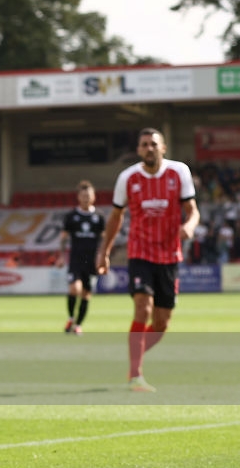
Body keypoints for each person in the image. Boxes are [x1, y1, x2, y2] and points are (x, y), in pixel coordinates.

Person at [97, 128, 199, 393]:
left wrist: (190, 225)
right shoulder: (128, 178)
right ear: (139, 150)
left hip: (169, 255)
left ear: (163, 148)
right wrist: (104, 251)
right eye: (144, 145)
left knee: (162, 323)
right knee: (143, 308)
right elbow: (116, 217)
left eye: (153, 144)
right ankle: (136, 374)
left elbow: (193, 211)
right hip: (140, 252)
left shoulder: (179, 173)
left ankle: (136, 354)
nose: (149, 148)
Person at [58, 180, 105, 334]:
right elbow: (64, 237)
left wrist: (103, 255)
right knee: (74, 289)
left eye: (88, 195)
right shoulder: (71, 216)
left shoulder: (99, 216)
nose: (86, 198)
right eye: (83, 195)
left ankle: (78, 325)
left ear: (94, 197)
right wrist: (61, 256)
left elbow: (105, 238)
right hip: (76, 260)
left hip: (92, 262)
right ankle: (71, 317)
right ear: (78, 197)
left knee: (86, 294)